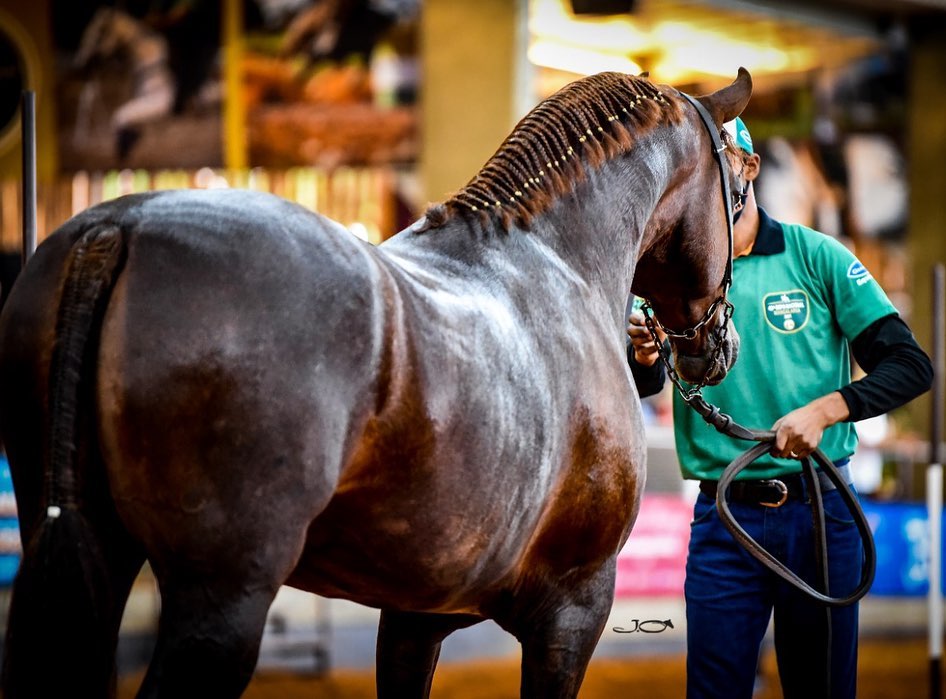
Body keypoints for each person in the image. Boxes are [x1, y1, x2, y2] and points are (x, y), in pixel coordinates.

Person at [627, 116, 933, 699]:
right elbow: (644, 387)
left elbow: (909, 366)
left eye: (720, 165)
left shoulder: (815, 256)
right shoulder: (673, 276)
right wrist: (643, 357)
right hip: (724, 519)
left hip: (820, 511)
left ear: (749, 168)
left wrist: (828, 409)